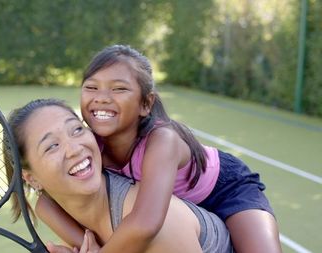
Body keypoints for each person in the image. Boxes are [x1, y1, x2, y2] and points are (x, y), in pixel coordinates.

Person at [36, 45, 282, 253]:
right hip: (179, 211)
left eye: (119, 89)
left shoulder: (163, 140)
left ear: (146, 103)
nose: (101, 97)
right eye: (91, 87)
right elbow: (45, 203)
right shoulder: (88, 144)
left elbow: (146, 223)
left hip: (228, 190)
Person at [5, 98, 233, 253]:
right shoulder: (51, 208)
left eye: (76, 130)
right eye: (51, 146)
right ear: (31, 178)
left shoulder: (158, 222)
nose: (74, 149)